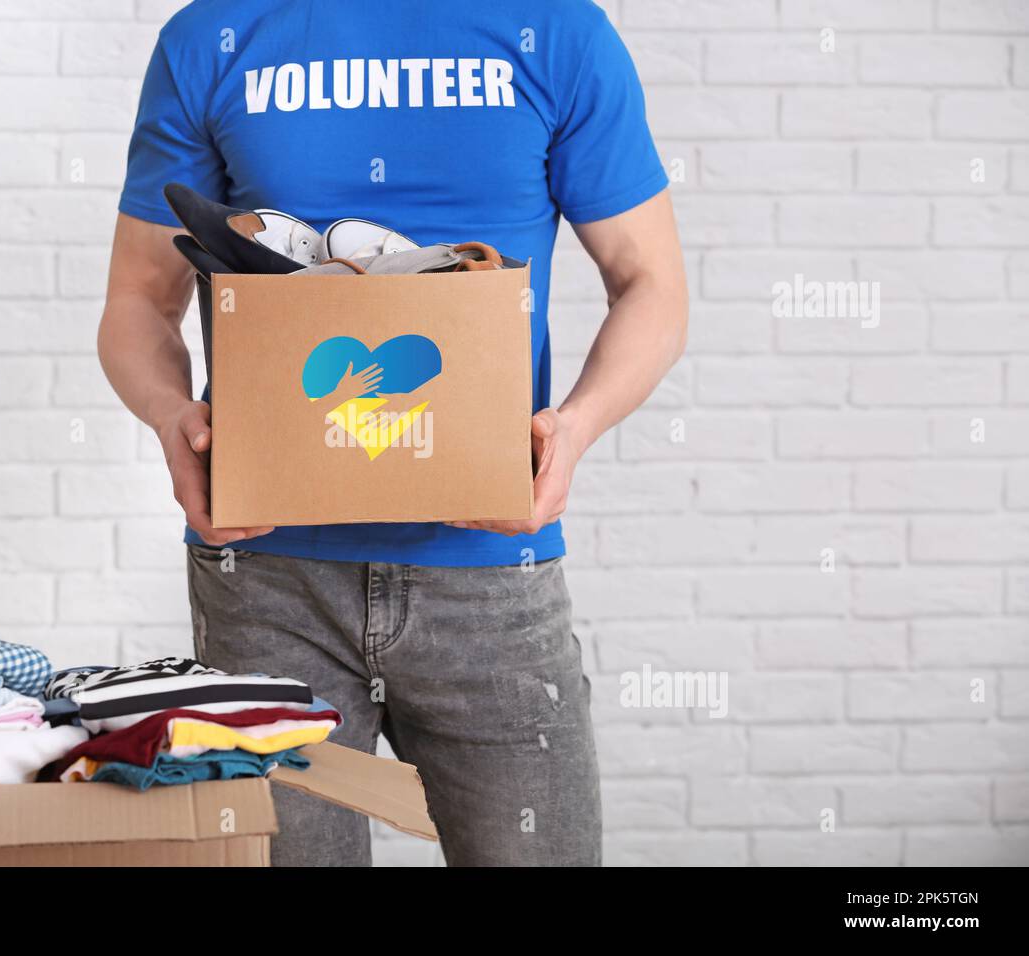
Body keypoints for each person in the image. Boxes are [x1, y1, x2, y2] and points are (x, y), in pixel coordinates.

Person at [97, 0, 688, 866]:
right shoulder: (211, 38)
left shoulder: (556, 33)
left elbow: (653, 286)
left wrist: (577, 426)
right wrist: (169, 417)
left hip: (492, 573)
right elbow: (137, 302)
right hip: (265, 577)